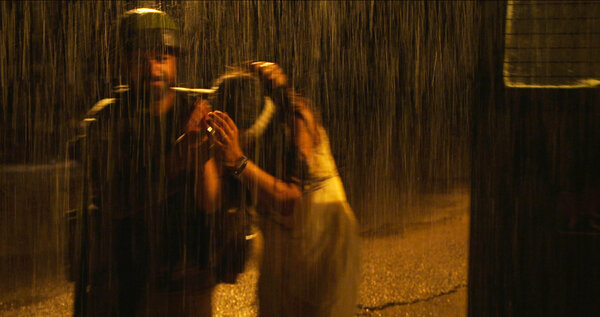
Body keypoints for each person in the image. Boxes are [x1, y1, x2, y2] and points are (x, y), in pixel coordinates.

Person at [71, 8, 219, 316]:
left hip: (187, 282)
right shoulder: (106, 122)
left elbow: (210, 202)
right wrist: (179, 158)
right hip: (122, 285)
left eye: (162, 58)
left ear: (176, 61)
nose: (153, 69)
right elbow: (115, 201)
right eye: (141, 59)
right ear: (123, 63)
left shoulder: (193, 112)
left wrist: (202, 152)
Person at [203, 62, 360, 317]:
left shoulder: (296, 120)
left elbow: (290, 200)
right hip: (281, 255)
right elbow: (218, 200)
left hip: (324, 247)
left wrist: (237, 161)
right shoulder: (235, 140)